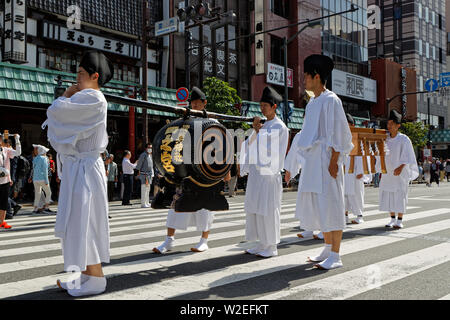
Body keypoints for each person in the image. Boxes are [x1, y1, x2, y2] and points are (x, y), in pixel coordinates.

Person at [42, 50, 114, 297]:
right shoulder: (86, 97)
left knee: (85, 222)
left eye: (82, 74)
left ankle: (96, 279)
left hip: (84, 169)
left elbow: (56, 114)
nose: (77, 79)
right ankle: (85, 274)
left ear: (95, 76)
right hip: (78, 168)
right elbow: (58, 118)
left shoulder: (93, 98)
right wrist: (65, 99)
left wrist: (64, 96)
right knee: (77, 222)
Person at [284, 54, 353, 270]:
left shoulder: (332, 99)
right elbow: (305, 135)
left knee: (332, 204)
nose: (304, 80)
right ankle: (327, 246)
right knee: (319, 205)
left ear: (316, 76)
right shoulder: (312, 102)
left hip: (326, 160)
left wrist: (334, 160)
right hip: (314, 161)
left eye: (306, 76)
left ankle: (336, 254)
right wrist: (295, 165)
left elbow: (340, 132)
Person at [153, 87, 230, 254]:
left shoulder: (213, 124)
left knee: (205, 210)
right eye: (192, 103)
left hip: (205, 176)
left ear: (204, 104)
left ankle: (204, 240)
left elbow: (223, 149)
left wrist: (225, 171)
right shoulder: (184, 123)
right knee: (175, 206)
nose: (194, 105)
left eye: (197, 103)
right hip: (186, 173)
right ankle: (168, 241)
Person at [239, 86, 289, 258]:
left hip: (269, 175)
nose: (262, 109)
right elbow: (248, 145)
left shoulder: (280, 127)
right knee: (256, 208)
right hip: (256, 175)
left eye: (265, 106)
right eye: (260, 105)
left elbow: (271, 151)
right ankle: (261, 243)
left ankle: (271, 245)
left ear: (274, 107)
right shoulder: (262, 125)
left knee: (268, 210)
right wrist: (255, 131)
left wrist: (258, 131)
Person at [379, 110, 419, 229]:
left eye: (392, 124)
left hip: (400, 173)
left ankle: (399, 220)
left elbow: (407, 156)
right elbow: (380, 153)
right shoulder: (385, 138)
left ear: (398, 125)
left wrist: (400, 167)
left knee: (400, 194)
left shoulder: (404, 139)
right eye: (388, 123)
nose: (389, 126)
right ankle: (392, 218)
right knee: (389, 194)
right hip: (388, 172)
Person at [0, 134, 21, 229]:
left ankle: (1, 221)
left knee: (3, 202)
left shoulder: (6, 150)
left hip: (5, 180)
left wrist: (17, 139)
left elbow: (18, 152)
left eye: (0, 138)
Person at [30, 145, 54, 214]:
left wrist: (31, 177)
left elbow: (33, 169)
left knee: (37, 194)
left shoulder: (35, 158)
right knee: (49, 193)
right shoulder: (44, 158)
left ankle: (35, 209)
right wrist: (46, 180)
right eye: (45, 152)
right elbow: (45, 170)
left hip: (35, 179)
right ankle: (46, 207)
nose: (46, 153)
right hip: (42, 178)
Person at [136, 143, 154, 208]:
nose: (150, 149)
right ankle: (143, 204)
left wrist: (152, 174)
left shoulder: (150, 155)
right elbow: (139, 164)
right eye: (149, 147)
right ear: (146, 148)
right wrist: (137, 172)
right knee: (144, 189)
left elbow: (151, 166)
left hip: (149, 174)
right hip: (144, 174)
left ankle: (147, 202)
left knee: (148, 189)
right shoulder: (143, 155)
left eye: (151, 148)